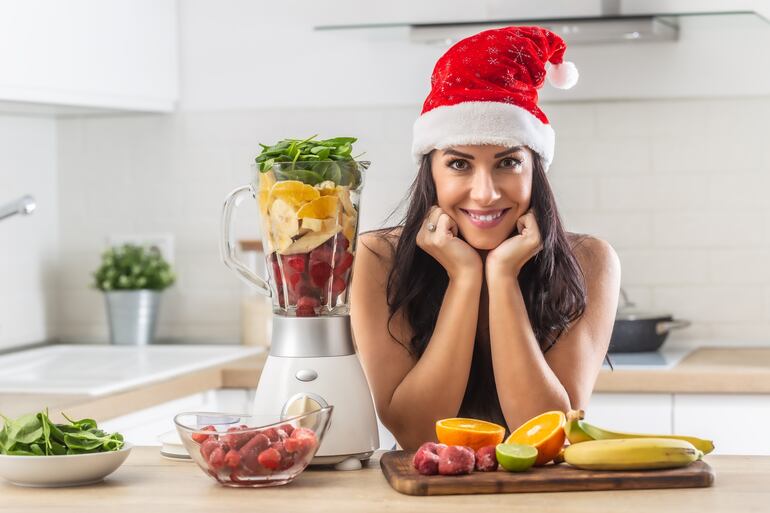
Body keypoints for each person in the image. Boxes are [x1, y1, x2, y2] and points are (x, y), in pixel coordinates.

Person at [350, 26, 621, 450]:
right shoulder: (377, 257)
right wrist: (464, 278)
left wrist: (503, 278)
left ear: (536, 169)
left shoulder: (590, 260)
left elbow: (544, 433)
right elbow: (418, 434)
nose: (486, 192)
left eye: (508, 163)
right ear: (431, 172)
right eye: (459, 164)